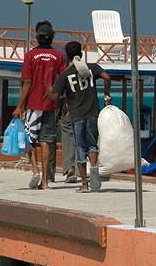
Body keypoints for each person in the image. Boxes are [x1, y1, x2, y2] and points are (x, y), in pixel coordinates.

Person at [44, 41, 112, 193]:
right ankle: (94, 171)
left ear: (67, 56)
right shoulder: (92, 68)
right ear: (81, 53)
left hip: (77, 116)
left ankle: (85, 185)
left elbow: (55, 97)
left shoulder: (65, 75)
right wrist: (106, 94)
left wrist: (49, 90)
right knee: (92, 145)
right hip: (93, 112)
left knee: (80, 147)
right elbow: (106, 77)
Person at [12, 21, 65, 190]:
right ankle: (45, 181)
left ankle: (35, 170)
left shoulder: (29, 56)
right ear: (52, 38)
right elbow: (62, 80)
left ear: (37, 38)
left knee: (29, 140)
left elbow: (27, 81)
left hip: (32, 105)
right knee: (46, 142)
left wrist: (19, 106)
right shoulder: (58, 56)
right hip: (50, 104)